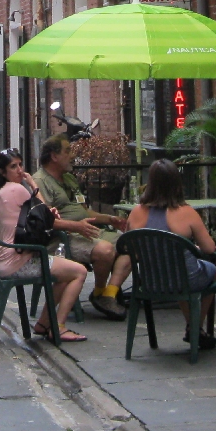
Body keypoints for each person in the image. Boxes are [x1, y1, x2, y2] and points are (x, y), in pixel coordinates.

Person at [0, 148, 87, 343]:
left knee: (63, 274)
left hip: (2, 260)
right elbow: (46, 215)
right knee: (79, 272)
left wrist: (45, 212)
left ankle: (43, 323)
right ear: (2, 172)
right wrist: (33, 184)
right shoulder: (17, 189)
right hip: (19, 261)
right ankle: (58, 327)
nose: (19, 170)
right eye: (13, 166)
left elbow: (37, 215)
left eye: (20, 165)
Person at [124, 160, 216, 349]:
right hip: (186, 279)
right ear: (177, 182)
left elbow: (131, 250)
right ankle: (195, 327)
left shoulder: (136, 213)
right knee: (210, 271)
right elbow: (209, 249)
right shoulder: (186, 213)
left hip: (150, 281)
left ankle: (193, 328)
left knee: (177, 272)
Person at [31, 135, 127, 320]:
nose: (73, 155)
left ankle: (107, 294)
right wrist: (76, 226)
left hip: (87, 231)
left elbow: (84, 211)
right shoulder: (40, 182)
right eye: (68, 151)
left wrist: (108, 218)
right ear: (54, 156)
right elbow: (44, 221)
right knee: (106, 250)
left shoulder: (69, 179)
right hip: (61, 238)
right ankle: (100, 292)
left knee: (131, 243)